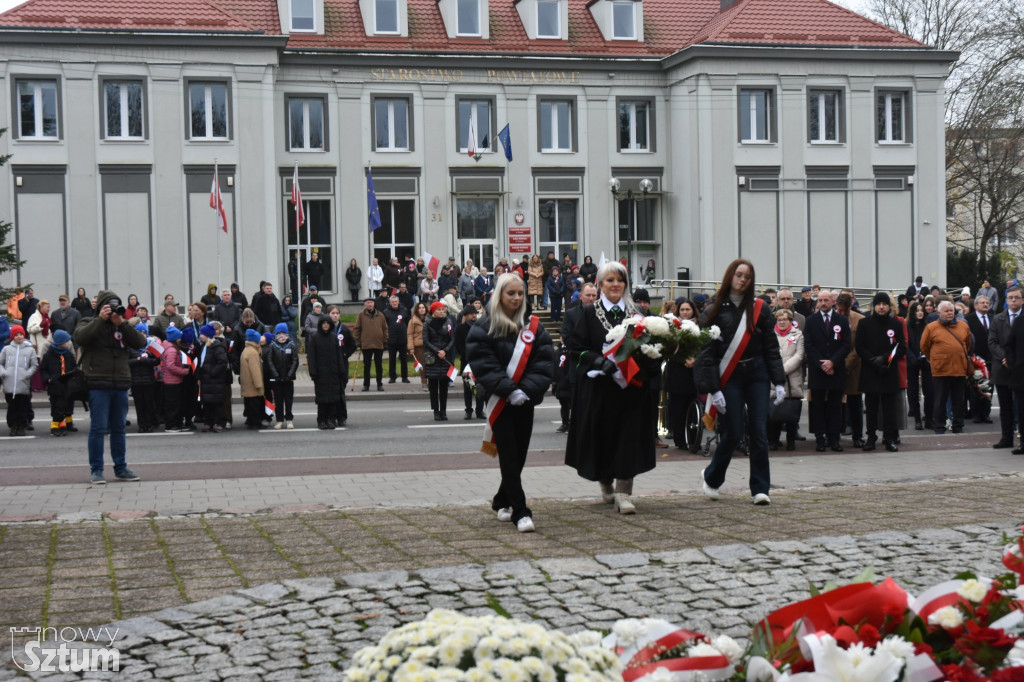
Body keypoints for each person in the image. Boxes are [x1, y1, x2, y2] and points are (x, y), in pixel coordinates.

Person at [566, 261, 659, 514]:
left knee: (628, 438)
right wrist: (598, 361)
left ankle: (624, 492)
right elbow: (576, 348)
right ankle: (605, 481)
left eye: (620, 280)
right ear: (600, 284)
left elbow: (652, 348)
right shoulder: (587, 313)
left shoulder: (639, 313)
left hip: (631, 390)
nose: (615, 284)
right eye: (610, 280)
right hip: (600, 390)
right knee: (603, 439)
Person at [466, 274, 553, 533]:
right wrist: (509, 390)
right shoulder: (483, 327)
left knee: (520, 454)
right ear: (499, 295)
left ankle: (501, 499)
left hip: (524, 401)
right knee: (509, 455)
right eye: (510, 293)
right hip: (500, 400)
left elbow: (543, 361)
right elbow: (484, 364)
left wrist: (526, 391)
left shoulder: (534, 327)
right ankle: (521, 511)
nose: (516, 298)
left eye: (520, 294)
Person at [695, 259, 786, 506]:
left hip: (757, 372)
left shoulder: (760, 308)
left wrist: (779, 381)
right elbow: (707, 354)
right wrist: (714, 389)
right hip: (730, 377)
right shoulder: (713, 309)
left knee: (759, 431)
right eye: (739, 274)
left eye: (748, 276)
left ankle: (760, 488)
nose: (743, 279)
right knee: (734, 432)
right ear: (730, 276)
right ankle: (712, 477)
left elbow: (771, 347)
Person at [74, 291, 146, 483]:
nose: (114, 309)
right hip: (98, 382)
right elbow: (80, 338)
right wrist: (100, 319)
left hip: (121, 383)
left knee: (119, 429)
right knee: (98, 429)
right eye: (110, 306)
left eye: (116, 305)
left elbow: (141, 342)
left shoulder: (122, 325)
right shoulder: (88, 321)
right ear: (101, 307)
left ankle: (121, 468)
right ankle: (96, 470)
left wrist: (121, 323)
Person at [855, 293, 905, 451]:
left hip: (888, 371)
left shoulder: (895, 324)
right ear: (873, 306)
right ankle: (871, 437)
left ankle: (889, 437)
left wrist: (885, 359)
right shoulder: (864, 323)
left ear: (889, 307)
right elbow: (860, 347)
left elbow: (901, 347)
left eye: (884, 304)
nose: (881, 307)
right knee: (871, 407)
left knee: (889, 407)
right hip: (870, 371)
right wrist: (874, 361)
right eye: (878, 304)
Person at [803, 289, 851, 452]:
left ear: (832, 302)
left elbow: (846, 345)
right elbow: (808, 345)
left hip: (836, 369)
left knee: (835, 406)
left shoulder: (842, 321)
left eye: (826, 300)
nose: (823, 303)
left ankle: (834, 439)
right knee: (817, 406)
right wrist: (821, 363)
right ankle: (820, 439)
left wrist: (832, 363)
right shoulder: (811, 321)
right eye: (820, 300)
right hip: (818, 370)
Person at [920, 300, 971, 435]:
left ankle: (958, 425)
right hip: (940, 370)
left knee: (958, 400)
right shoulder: (931, 327)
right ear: (939, 313)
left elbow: (968, 344)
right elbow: (924, 347)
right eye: (947, 311)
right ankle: (939, 426)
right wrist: (935, 359)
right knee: (940, 400)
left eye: (951, 310)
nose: (950, 313)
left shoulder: (963, 326)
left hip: (959, 368)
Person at [988, 287, 1020, 448]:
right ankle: (1007, 438)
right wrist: (1005, 357)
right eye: (1010, 298)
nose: (1013, 300)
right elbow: (992, 342)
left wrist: (1015, 359)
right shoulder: (998, 319)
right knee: (1005, 407)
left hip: (1020, 368)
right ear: (1006, 300)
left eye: (1016, 297)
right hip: (1002, 368)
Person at [664, 298, 699, 449]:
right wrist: (683, 358)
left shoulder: (699, 325)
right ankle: (680, 440)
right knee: (678, 408)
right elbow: (668, 348)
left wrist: (695, 358)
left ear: (693, 311)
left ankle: (693, 438)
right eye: (682, 310)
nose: (685, 312)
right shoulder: (672, 326)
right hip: (677, 370)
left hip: (693, 372)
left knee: (693, 406)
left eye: (688, 310)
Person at [768, 309, 804, 451]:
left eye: (785, 319)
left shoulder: (798, 334)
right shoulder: (770, 335)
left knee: (791, 412)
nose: (782, 322)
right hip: (773, 378)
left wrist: (782, 370)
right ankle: (774, 440)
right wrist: (775, 371)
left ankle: (791, 440)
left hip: (792, 378)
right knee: (774, 411)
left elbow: (799, 355)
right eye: (779, 320)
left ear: (790, 321)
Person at [835, 293, 865, 447]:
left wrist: (846, 365)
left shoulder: (860, 320)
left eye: (844, 311)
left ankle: (858, 436)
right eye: (838, 310)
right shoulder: (832, 319)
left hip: (853, 368)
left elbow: (860, 346)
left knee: (855, 404)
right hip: (835, 367)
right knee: (835, 404)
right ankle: (834, 435)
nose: (841, 314)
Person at [307, 314, 345, 429]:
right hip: (320, 373)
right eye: (323, 323)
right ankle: (321, 420)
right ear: (320, 324)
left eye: (327, 323)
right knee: (322, 399)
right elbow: (311, 357)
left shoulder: (334, 337)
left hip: (333, 373)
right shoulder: (314, 337)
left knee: (333, 399)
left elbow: (339, 355)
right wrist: (313, 372)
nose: (325, 325)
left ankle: (331, 419)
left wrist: (341, 370)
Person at [40, 329, 78, 437]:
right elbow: (43, 369)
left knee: (68, 404)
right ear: (60, 342)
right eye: (66, 341)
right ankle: (55, 426)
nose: (68, 343)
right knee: (57, 406)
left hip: (67, 385)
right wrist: (48, 378)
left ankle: (67, 423)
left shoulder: (68, 355)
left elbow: (73, 367)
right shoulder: (49, 355)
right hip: (55, 385)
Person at [1, 325, 36, 436]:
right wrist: (3, 373)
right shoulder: (7, 349)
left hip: (23, 383)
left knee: (22, 406)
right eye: (16, 335)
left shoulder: (30, 350)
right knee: (12, 407)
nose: (19, 337)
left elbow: (34, 365)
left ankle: (21, 425)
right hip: (9, 383)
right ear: (13, 337)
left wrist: (27, 374)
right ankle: (13, 425)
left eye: (21, 334)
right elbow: (0, 363)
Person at [423, 301, 456, 420]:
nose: (442, 312)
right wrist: (438, 351)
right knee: (433, 387)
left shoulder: (448, 322)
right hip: (433, 358)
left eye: (443, 309)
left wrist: (445, 351)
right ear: (433, 311)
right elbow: (426, 341)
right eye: (439, 310)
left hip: (445, 358)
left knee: (444, 387)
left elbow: (452, 339)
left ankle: (443, 411)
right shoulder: (427, 323)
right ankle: (436, 411)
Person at [966, 295, 994, 424]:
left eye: (987, 303)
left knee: (989, 386)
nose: (985, 305)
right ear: (976, 305)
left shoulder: (993, 318)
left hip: (991, 358)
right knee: (976, 385)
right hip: (975, 358)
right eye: (982, 303)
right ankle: (976, 413)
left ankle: (986, 413)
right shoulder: (969, 319)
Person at [265, 323, 298, 429]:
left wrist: (290, 375)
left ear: (287, 334)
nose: (281, 335)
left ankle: (289, 419)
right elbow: (269, 361)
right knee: (278, 400)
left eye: (283, 333)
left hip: (288, 379)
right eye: (279, 333)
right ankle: (279, 420)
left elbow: (295, 361)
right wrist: (275, 374)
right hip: (276, 379)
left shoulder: (292, 345)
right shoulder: (272, 346)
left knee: (288, 400)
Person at [196, 324, 228, 433]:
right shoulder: (203, 346)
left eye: (202, 334)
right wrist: (199, 377)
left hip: (215, 380)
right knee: (207, 402)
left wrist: (212, 372)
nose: (200, 336)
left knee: (217, 402)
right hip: (205, 380)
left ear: (208, 335)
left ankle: (220, 422)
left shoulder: (217, 346)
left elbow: (222, 362)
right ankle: (208, 422)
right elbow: (200, 363)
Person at [128, 324, 160, 433]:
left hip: (149, 380)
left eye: (144, 332)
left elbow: (157, 360)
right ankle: (141, 425)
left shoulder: (151, 346)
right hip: (136, 381)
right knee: (139, 405)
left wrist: (146, 360)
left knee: (149, 404)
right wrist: (137, 360)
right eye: (139, 332)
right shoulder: (130, 346)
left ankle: (150, 424)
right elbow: (126, 362)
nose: (142, 334)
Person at [353, 298, 388, 392]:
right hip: (366, 344)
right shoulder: (361, 315)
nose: (370, 304)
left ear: (374, 304)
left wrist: (385, 340)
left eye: (371, 302)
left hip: (378, 344)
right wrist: (358, 342)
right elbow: (357, 329)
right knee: (367, 366)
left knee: (379, 365)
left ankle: (379, 384)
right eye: (368, 303)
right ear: (365, 304)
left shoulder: (380, 315)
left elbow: (385, 329)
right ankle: (366, 385)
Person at [160, 326, 190, 432]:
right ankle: (170, 425)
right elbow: (170, 366)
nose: (180, 339)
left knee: (175, 404)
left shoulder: (168, 347)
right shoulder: (172, 350)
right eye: (178, 338)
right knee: (172, 405)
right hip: (172, 382)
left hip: (172, 381)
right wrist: (184, 371)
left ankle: (177, 423)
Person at [239, 328, 265, 429]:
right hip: (252, 384)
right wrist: (259, 385)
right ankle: (255, 423)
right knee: (254, 405)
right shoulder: (253, 353)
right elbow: (255, 371)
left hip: (247, 383)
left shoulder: (246, 350)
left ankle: (250, 421)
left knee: (249, 404)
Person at [382, 296, 411, 383]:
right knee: (392, 359)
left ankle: (404, 377)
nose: (394, 303)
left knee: (404, 359)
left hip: (403, 339)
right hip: (391, 339)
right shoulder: (386, 312)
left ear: (398, 302)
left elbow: (408, 322)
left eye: (396, 301)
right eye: (393, 302)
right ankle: (392, 377)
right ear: (390, 303)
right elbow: (384, 325)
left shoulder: (404, 310)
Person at [408, 302, 428, 390]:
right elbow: (410, 334)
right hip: (419, 346)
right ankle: (424, 382)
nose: (421, 309)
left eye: (423, 307)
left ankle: (432, 381)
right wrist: (411, 348)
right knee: (422, 365)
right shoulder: (413, 321)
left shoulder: (430, 319)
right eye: (420, 308)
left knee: (430, 364)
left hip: (429, 345)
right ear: (417, 309)